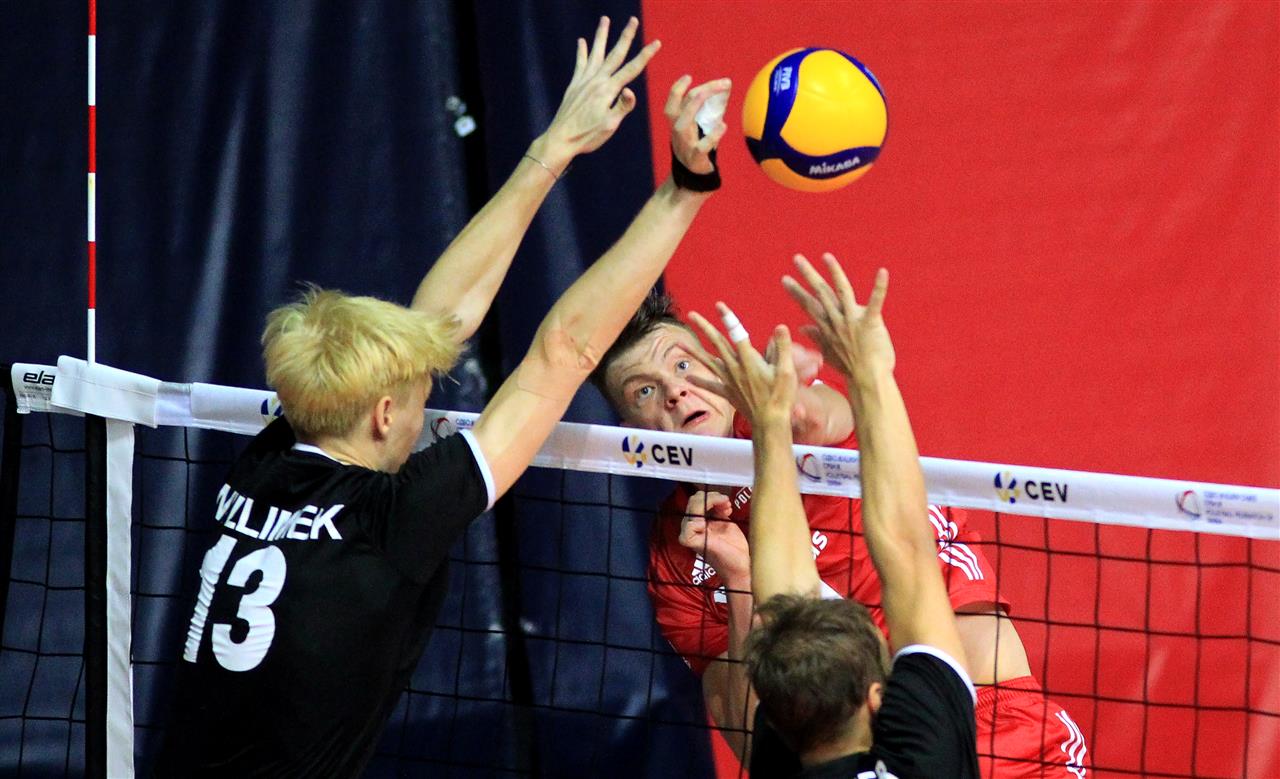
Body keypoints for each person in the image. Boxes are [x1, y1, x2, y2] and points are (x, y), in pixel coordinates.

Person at [156, 17, 731, 776]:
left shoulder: (266, 461)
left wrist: (554, 147)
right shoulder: (390, 521)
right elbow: (565, 351)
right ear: (383, 415)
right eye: (413, 389)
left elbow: (439, 323)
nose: (430, 382)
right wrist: (686, 186)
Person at [592, 261, 1088, 776]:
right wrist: (739, 582)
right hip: (843, 755)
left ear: (725, 367)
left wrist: (785, 397)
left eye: (683, 365)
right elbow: (752, 740)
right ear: (633, 430)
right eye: (644, 390)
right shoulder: (677, 556)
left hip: (996, 728)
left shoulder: (797, 433)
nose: (675, 391)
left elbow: (821, 415)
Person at [686, 258, 980, 776]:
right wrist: (869, 371)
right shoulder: (924, 758)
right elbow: (909, 549)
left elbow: (787, 599)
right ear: (876, 698)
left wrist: (770, 421)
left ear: (777, 721)